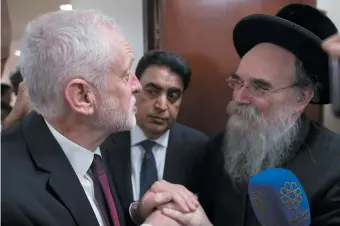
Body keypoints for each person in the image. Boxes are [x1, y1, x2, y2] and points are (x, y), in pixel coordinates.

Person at [132, 4, 340, 226]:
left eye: (259, 87)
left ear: (301, 97)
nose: (240, 97)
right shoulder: (217, 148)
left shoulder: (334, 167)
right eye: (238, 82)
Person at [1, 9, 193, 226]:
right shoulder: (10, 202)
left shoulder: (90, 139)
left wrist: (136, 214)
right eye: (125, 75)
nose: (137, 86)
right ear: (83, 96)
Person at [101, 50, 208, 226]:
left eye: (173, 95)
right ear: (135, 88)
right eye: (152, 91)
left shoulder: (199, 148)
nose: (162, 106)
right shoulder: (104, 140)